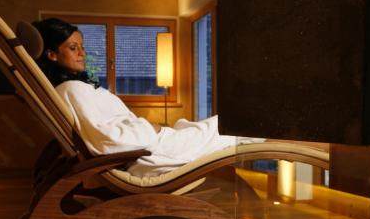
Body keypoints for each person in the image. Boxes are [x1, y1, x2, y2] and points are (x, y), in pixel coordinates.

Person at [32, 18, 263, 177]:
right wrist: (150, 129)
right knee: (224, 127)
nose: (82, 53)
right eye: (73, 48)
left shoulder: (71, 89)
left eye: (82, 46)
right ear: (52, 54)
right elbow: (107, 140)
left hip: (151, 145)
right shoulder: (72, 90)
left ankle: (266, 135)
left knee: (217, 127)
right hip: (150, 151)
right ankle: (275, 136)